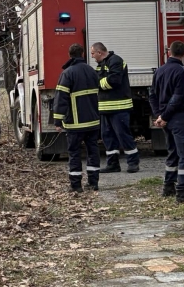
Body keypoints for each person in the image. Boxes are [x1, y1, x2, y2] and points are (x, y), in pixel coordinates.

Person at [149, 41, 184, 203]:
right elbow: (177, 98)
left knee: (173, 152)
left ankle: (168, 187)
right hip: (176, 117)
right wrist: (165, 116)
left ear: (169, 52)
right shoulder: (181, 72)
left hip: (165, 118)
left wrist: (159, 115)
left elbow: (152, 95)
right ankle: (181, 193)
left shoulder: (159, 71)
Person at [53, 44, 101, 193]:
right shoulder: (92, 71)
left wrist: (58, 120)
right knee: (93, 152)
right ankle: (93, 183)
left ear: (70, 55)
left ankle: (76, 186)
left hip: (75, 123)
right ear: (83, 54)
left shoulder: (67, 73)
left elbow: (61, 98)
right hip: (93, 122)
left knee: (74, 153)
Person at [90, 42, 140, 174]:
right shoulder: (101, 64)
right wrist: (100, 81)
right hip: (105, 108)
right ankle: (112, 164)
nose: (92, 56)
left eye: (93, 53)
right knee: (108, 137)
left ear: (99, 52)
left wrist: (98, 83)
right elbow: (99, 80)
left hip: (119, 107)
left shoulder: (116, 61)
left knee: (123, 135)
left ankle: (133, 163)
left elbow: (114, 81)